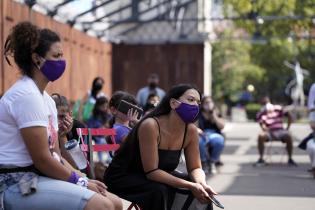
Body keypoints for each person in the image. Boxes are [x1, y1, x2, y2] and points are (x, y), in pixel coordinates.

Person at [0, 21, 122, 210]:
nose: (61, 62)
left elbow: (55, 155)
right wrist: (80, 183)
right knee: (101, 205)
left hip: (38, 177)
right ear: (37, 59)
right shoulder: (26, 96)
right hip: (15, 183)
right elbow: (42, 159)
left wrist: (84, 178)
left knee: (113, 201)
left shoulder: (46, 99)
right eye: (56, 56)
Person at [104, 84, 217, 210]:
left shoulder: (190, 131)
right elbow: (152, 172)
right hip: (124, 176)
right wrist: (190, 186)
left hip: (154, 176)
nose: (195, 105)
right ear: (173, 103)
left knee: (203, 193)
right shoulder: (151, 125)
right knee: (160, 190)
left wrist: (201, 183)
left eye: (198, 102)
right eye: (191, 100)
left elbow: (195, 167)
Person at [254, 96, 297, 167]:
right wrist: (266, 129)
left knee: (288, 136)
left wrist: (287, 128)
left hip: (280, 130)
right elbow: (262, 124)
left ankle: (290, 159)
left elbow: (289, 115)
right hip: (269, 132)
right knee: (260, 136)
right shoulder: (262, 111)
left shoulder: (278, 108)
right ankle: (261, 158)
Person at [198, 96, 225, 174]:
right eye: (206, 103)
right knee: (200, 143)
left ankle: (212, 162)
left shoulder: (216, 113)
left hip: (214, 134)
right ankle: (204, 162)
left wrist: (214, 116)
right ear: (202, 104)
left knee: (219, 141)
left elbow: (222, 126)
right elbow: (194, 125)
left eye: (210, 102)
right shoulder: (198, 113)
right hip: (202, 134)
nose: (208, 104)